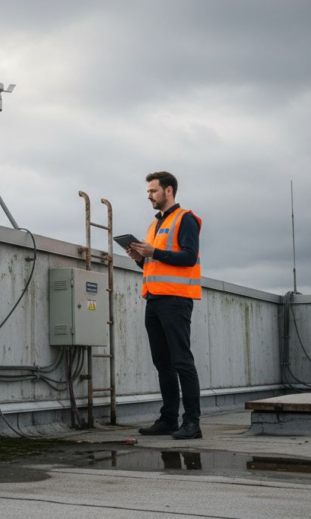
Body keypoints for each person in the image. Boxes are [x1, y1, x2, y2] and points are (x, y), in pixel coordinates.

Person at [127, 171, 203, 440]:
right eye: (148, 192)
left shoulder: (186, 219)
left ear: (168, 190)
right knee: (163, 363)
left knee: (182, 361)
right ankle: (169, 419)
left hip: (176, 300)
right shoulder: (154, 225)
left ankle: (192, 423)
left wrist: (154, 252)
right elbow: (156, 264)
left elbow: (189, 257)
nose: (148, 196)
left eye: (153, 191)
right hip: (154, 299)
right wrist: (140, 258)